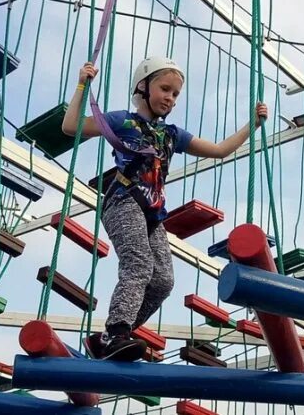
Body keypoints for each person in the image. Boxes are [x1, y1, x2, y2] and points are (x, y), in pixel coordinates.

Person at [61, 57, 268, 361]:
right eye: (165, 89)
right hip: (123, 200)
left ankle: (107, 338)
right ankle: (117, 332)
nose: (170, 98)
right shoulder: (123, 121)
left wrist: (254, 124)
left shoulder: (172, 135)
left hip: (152, 214)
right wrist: (82, 84)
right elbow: (71, 126)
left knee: (162, 282)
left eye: (175, 94)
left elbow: (220, 151)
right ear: (143, 88)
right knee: (139, 265)